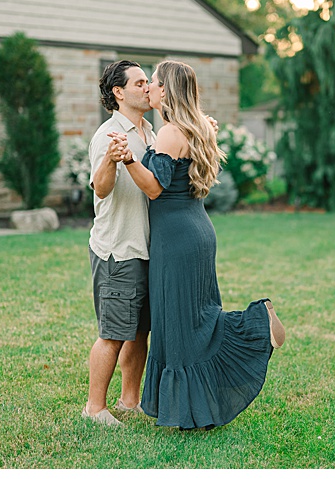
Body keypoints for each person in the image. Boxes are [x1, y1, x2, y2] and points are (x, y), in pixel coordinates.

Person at [111, 60, 287, 429]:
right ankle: (197, 411)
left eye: (155, 83)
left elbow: (155, 188)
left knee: (180, 324)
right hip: (196, 231)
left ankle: (256, 322)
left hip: (176, 239)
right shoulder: (197, 128)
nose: (149, 88)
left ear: (168, 90)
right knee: (193, 321)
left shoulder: (171, 132)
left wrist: (128, 159)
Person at [82, 60, 155, 426]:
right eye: (140, 82)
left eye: (148, 82)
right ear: (119, 92)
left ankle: (130, 400)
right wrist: (112, 160)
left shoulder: (150, 132)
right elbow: (102, 188)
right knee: (112, 334)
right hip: (118, 251)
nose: (147, 87)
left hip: (145, 249)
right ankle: (95, 408)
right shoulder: (108, 134)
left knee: (139, 331)